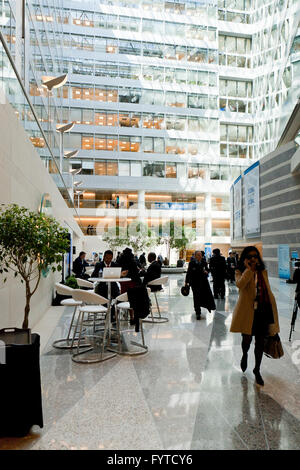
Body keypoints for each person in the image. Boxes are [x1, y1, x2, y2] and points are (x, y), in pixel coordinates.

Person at [230, 246, 280, 386]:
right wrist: (249, 270)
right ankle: (245, 355)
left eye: (255, 256)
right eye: (250, 256)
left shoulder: (263, 272)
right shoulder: (240, 271)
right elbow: (240, 285)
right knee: (246, 340)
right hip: (247, 312)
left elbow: (267, 290)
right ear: (245, 259)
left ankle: (257, 370)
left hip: (263, 311)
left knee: (260, 342)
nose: (253, 259)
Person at [185, 250, 216, 320]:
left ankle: (207, 306)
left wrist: (206, 271)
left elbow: (208, 269)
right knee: (196, 297)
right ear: (195, 256)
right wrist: (186, 282)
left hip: (203, 282)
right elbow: (189, 272)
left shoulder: (204, 262)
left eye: (201, 255)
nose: (200, 256)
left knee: (204, 295)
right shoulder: (192, 263)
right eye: (198, 255)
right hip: (194, 283)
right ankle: (198, 312)